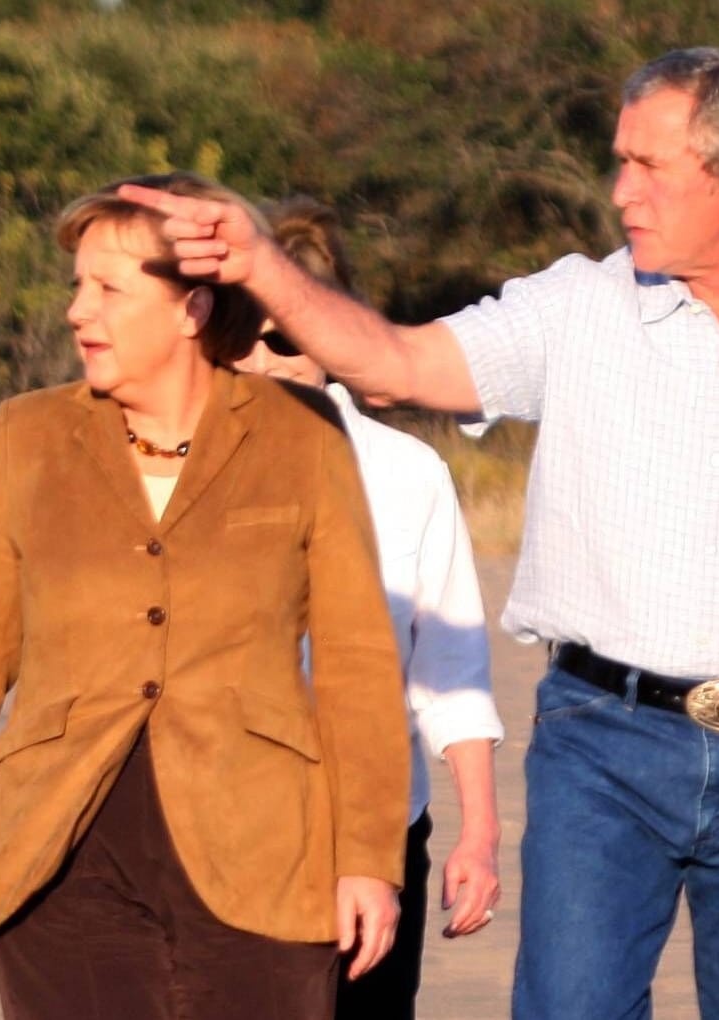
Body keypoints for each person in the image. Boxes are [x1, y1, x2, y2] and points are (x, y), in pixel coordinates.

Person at [125, 48, 719, 1020]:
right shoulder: (576, 307)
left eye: (646, 166)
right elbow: (390, 364)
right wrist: (259, 263)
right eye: (616, 159)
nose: (617, 190)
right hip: (601, 748)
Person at [0, 172, 410, 1020]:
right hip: (61, 853)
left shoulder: (302, 435)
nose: (79, 311)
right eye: (77, 286)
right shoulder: (26, 436)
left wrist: (369, 857)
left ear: (191, 308)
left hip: (261, 847)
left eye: (108, 289)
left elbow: (357, 661)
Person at [235, 197, 505, 1020]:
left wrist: (480, 833)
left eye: (285, 333)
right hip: (223, 830)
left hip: (379, 830)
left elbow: (450, 670)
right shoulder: (179, 473)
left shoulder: (406, 472)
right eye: (238, 332)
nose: (261, 355)